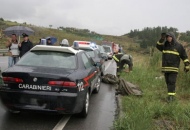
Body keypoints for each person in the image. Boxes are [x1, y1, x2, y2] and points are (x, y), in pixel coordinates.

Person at [156, 32, 189, 102]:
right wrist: (162, 39)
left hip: (174, 68)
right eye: (167, 37)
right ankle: (170, 95)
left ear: (173, 37)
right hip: (165, 68)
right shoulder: (165, 45)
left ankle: (171, 97)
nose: (168, 38)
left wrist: (187, 65)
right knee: (168, 82)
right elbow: (158, 46)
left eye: (170, 37)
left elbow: (184, 56)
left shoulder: (179, 46)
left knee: (171, 82)